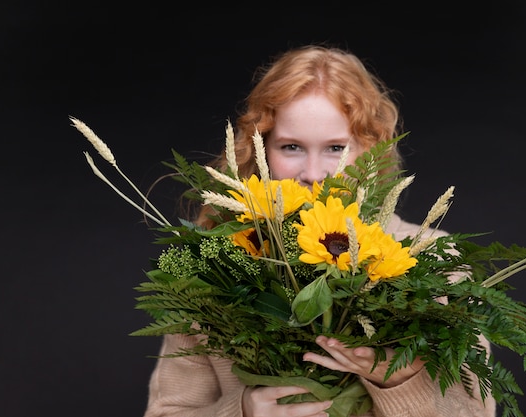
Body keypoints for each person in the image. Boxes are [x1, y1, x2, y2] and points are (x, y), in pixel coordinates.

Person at [143, 44, 497, 417]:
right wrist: (242, 411)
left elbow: (476, 412)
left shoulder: (430, 259)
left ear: (369, 150)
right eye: (292, 146)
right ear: (259, 148)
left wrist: (396, 378)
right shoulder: (215, 264)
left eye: (334, 148)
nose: (312, 173)